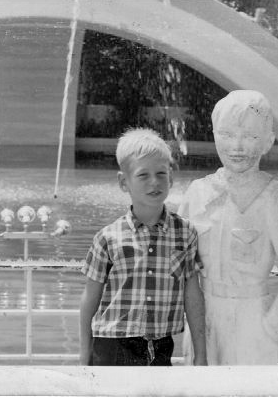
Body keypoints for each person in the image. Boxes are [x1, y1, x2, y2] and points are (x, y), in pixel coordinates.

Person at [179, 90, 278, 365]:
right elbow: (176, 261)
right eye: (226, 134)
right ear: (214, 135)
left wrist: (271, 327)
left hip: (252, 320)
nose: (236, 146)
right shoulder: (198, 192)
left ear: (267, 142)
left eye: (250, 136)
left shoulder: (274, 197)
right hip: (201, 318)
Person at [79, 128, 207, 366]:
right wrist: (84, 355)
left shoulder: (185, 233)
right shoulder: (108, 238)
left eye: (161, 173)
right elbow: (89, 301)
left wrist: (201, 355)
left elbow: (192, 294)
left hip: (161, 346)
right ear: (123, 182)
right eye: (143, 175)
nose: (154, 182)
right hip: (112, 346)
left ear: (171, 177)